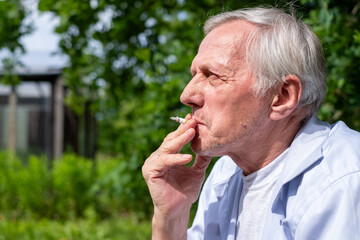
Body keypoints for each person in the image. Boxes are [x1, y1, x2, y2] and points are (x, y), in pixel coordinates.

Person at [142, 7, 360, 240]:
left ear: (282, 96)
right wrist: (171, 217)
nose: (186, 95)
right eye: (194, 75)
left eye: (213, 76)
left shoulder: (343, 180)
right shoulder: (225, 172)